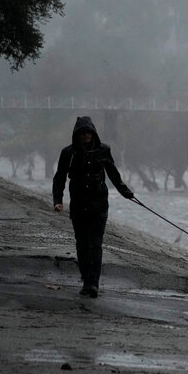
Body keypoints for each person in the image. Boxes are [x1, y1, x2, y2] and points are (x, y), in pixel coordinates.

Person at [52, 116, 135, 298]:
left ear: (93, 133)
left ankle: (93, 284)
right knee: (82, 245)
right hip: (78, 206)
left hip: (99, 206)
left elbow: (113, 173)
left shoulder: (103, 150)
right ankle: (86, 281)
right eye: (82, 134)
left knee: (95, 245)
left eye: (88, 133)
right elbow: (59, 178)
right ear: (77, 135)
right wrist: (58, 200)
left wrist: (125, 192)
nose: (86, 136)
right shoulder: (68, 153)